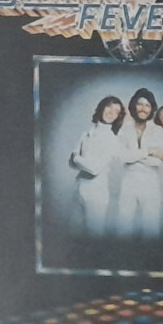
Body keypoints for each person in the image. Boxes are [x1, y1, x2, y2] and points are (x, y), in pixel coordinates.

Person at [115, 86, 163, 236]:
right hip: (128, 183)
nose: (143, 108)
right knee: (123, 227)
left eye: (147, 105)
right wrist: (149, 151)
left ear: (151, 109)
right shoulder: (124, 128)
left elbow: (157, 162)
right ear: (134, 106)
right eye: (140, 104)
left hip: (151, 184)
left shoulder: (157, 130)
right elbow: (122, 157)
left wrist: (133, 156)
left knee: (151, 228)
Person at [70, 95, 124, 235]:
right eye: (109, 107)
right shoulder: (86, 134)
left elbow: (94, 169)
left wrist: (77, 158)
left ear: (118, 117)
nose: (111, 112)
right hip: (78, 188)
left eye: (116, 111)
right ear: (102, 107)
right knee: (74, 235)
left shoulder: (113, 140)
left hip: (96, 194)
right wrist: (76, 159)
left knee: (93, 236)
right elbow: (71, 163)